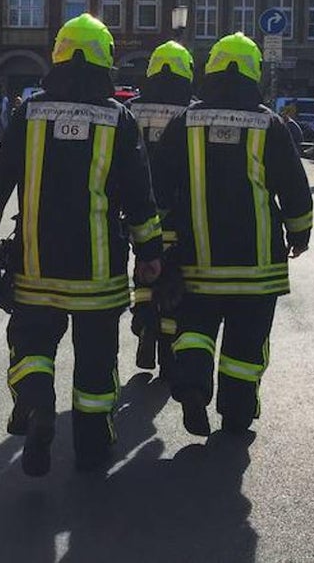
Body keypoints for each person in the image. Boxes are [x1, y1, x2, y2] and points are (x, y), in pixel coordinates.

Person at [0, 14, 162, 476]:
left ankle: (36, 402)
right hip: (99, 272)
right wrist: (151, 253)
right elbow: (139, 194)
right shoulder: (117, 119)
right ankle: (93, 447)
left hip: (36, 266)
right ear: (104, 62)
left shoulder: (28, 114)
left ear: (57, 56)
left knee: (32, 343)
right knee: (96, 362)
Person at [152, 32, 312, 437]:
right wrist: (300, 232)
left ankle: (191, 385)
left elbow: (158, 184)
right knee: (245, 344)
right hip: (256, 268)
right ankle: (237, 415)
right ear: (253, 72)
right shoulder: (270, 124)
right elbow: (293, 187)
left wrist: (156, 238)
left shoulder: (185, 122)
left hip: (197, 260)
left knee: (194, 329)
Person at [127, 40, 195, 378]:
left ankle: (142, 320)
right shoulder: (193, 111)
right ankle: (167, 344)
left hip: (138, 207)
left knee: (143, 263)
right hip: (179, 209)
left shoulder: (132, 110)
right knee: (172, 276)